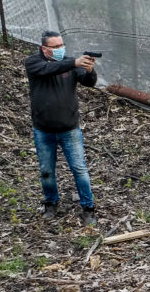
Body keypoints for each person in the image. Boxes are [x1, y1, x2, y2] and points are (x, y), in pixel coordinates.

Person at [24, 31, 99, 226]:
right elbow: (50, 69)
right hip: (43, 129)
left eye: (61, 45)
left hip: (69, 129)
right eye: (55, 47)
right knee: (46, 170)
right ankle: (51, 203)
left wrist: (90, 69)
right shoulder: (33, 63)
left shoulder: (70, 63)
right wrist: (75, 62)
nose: (60, 49)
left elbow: (89, 83)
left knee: (79, 169)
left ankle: (88, 207)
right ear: (44, 48)